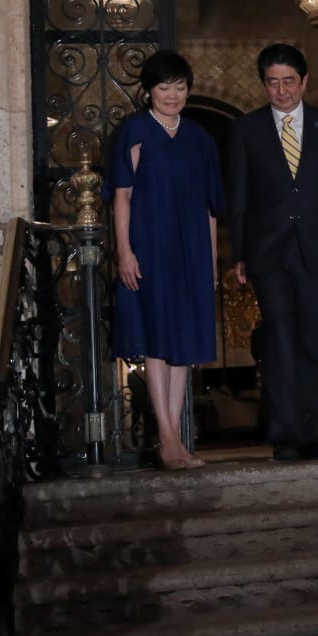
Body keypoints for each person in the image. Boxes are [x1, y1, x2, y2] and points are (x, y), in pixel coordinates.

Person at [227, 44, 318, 461]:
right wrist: (240, 254)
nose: (281, 91)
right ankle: (284, 436)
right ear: (263, 84)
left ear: (304, 82)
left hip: (317, 249)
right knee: (279, 340)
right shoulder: (247, 129)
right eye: (272, 82)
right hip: (268, 251)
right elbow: (239, 196)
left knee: (310, 341)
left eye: (288, 81)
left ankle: (309, 433)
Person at [109, 50, 225, 470]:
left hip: (191, 248)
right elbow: (121, 197)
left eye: (180, 86)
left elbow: (212, 207)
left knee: (184, 347)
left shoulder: (200, 138)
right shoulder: (134, 132)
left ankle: (175, 437)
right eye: (163, 87)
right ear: (148, 91)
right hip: (150, 244)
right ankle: (166, 437)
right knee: (158, 340)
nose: (172, 94)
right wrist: (125, 250)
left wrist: (211, 261)